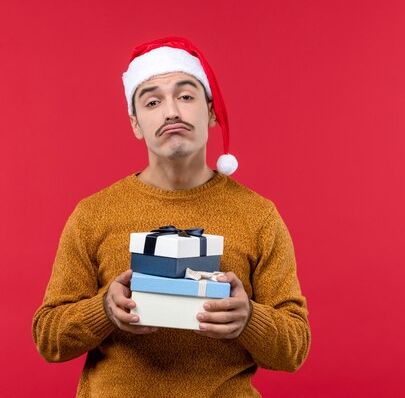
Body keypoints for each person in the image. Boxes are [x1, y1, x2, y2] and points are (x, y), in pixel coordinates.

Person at [32, 37, 310, 397]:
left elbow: (295, 349)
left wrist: (249, 319)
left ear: (211, 112)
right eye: (152, 101)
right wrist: (104, 310)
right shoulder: (93, 215)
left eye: (186, 96)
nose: (171, 112)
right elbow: (48, 338)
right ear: (135, 124)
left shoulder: (259, 216)